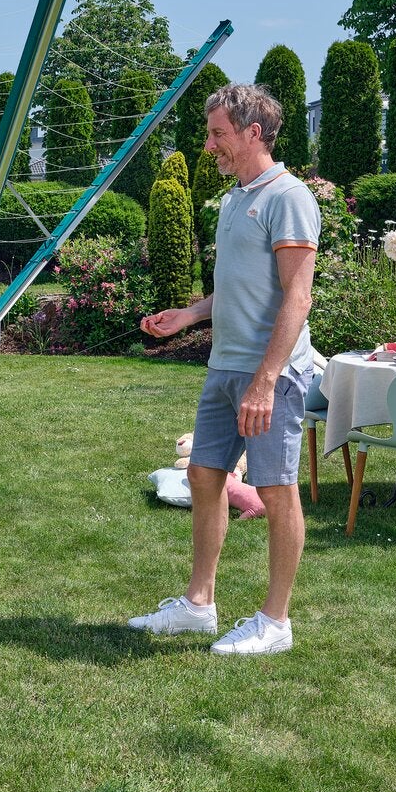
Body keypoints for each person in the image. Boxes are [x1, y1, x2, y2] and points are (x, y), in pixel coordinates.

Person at [129, 82, 320, 656]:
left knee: (276, 487)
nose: (209, 145)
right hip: (224, 368)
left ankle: (276, 622)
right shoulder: (237, 199)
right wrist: (189, 314)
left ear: (252, 133)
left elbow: (297, 297)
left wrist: (266, 381)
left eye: (218, 134)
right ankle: (198, 606)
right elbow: (239, 289)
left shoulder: (288, 197)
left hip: (272, 375)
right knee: (204, 475)